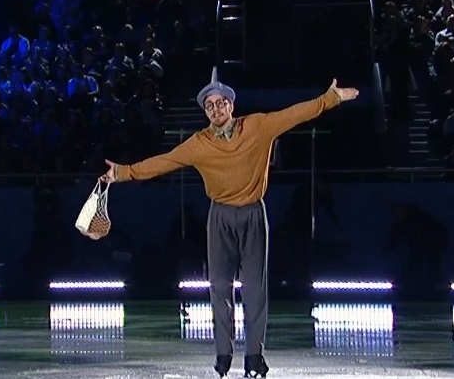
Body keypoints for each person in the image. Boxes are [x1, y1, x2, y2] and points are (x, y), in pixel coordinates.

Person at [100, 68, 359, 378]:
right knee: (219, 286)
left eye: (220, 103)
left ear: (231, 105)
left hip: (253, 214)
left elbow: (294, 114)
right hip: (220, 216)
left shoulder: (258, 126)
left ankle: (254, 356)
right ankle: (223, 354)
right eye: (209, 106)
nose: (215, 109)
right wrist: (123, 173)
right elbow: (163, 162)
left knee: (254, 288)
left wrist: (330, 99)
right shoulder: (199, 143)